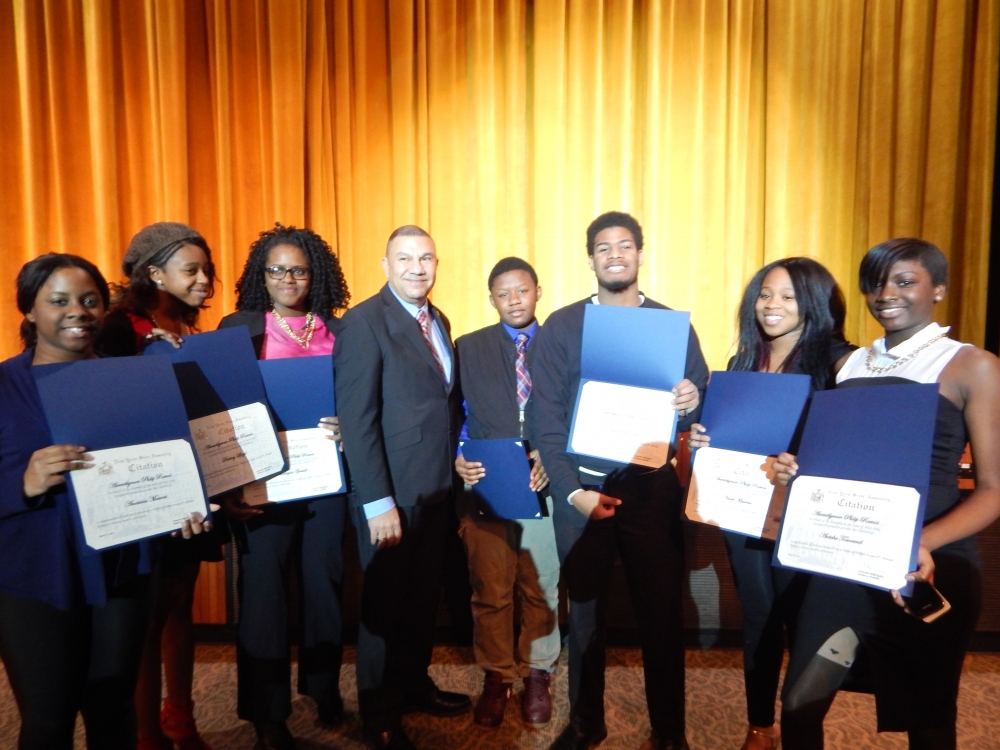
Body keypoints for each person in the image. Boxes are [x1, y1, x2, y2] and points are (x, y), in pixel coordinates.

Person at [772, 238, 1000, 749]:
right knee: (799, 705)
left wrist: (923, 543)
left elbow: (993, 490)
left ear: (938, 289)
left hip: (926, 564)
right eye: (875, 283)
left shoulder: (971, 365)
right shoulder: (849, 365)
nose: (885, 293)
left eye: (903, 281)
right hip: (846, 559)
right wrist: (798, 471)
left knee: (929, 718)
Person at [0, 254, 210, 749]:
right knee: (48, 721)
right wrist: (23, 481)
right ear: (29, 311)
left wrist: (182, 509)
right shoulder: (4, 386)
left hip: (123, 570)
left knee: (115, 712)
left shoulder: (133, 381)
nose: (78, 310)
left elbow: (165, 467)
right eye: (59, 301)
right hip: (33, 574)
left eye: (90, 300)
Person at [528, 211, 708, 750]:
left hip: (651, 490)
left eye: (624, 246)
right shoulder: (562, 326)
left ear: (640, 254)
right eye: (603, 247)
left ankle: (670, 733)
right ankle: (587, 724)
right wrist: (572, 492)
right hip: (582, 491)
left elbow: (695, 400)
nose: (614, 255)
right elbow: (545, 417)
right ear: (590, 259)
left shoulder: (671, 325)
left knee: (661, 616)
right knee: (583, 619)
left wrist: (691, 398)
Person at [687, 257, 854, 750]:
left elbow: (850, 447)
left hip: (806, 516)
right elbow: (726, 434)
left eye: (786, 295)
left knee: (802, 622)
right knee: (759, 616)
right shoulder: (742, 363)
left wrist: (804, 462)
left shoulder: (840, 363)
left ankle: (802, 727)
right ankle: (760, 725)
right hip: (745, 512)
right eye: (765, 293)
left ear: (814, 302)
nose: (771, 305)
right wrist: (702, 438)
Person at [334, 225, 470, 750]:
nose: (418, 268)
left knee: (422, 602)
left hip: (435, 492)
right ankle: (378, 711)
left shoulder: (439, 320)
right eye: (406, 258)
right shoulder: (364, 323)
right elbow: (358, 419)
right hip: (389, 496)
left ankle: (412, 684)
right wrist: (376, 501)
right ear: (385, 264)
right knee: (385, 608)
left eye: (427, 258)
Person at [216, 223, 350, 750]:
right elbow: (221, 409)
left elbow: (358, 397)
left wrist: (344, 422)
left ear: (313, 274)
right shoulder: (238, 328)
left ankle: (323, 686)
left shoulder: (340, 331)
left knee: (325, 587)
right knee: (264, 595)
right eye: (276, 270)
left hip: (324, 478)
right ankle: (266, 712)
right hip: (263, 482)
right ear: (261, 277)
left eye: (297, 269)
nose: (287, 278)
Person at [99, 221, 220, 750]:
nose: (203, 280)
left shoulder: (193, 333)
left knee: (179, 603)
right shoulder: (116, 330)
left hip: (196, 486)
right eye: (190, 270)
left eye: (206, 270)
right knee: (146, 617)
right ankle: (148, 734)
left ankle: (182, 718)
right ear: (153, 273)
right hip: (144, 490)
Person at [453, 257, 560, 728]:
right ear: (491, 299)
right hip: (485, 483)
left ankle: (538, 672)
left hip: (545, 483)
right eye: (503, 293)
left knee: (542, 587)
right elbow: (448, 411)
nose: (514, 299)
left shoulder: (562, 346)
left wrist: (555, 460)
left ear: (538, 292)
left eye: (522, 290)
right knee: (491, 589)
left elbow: (579, 412)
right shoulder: (467, 348)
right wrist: (456, 454)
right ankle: (498, 675)